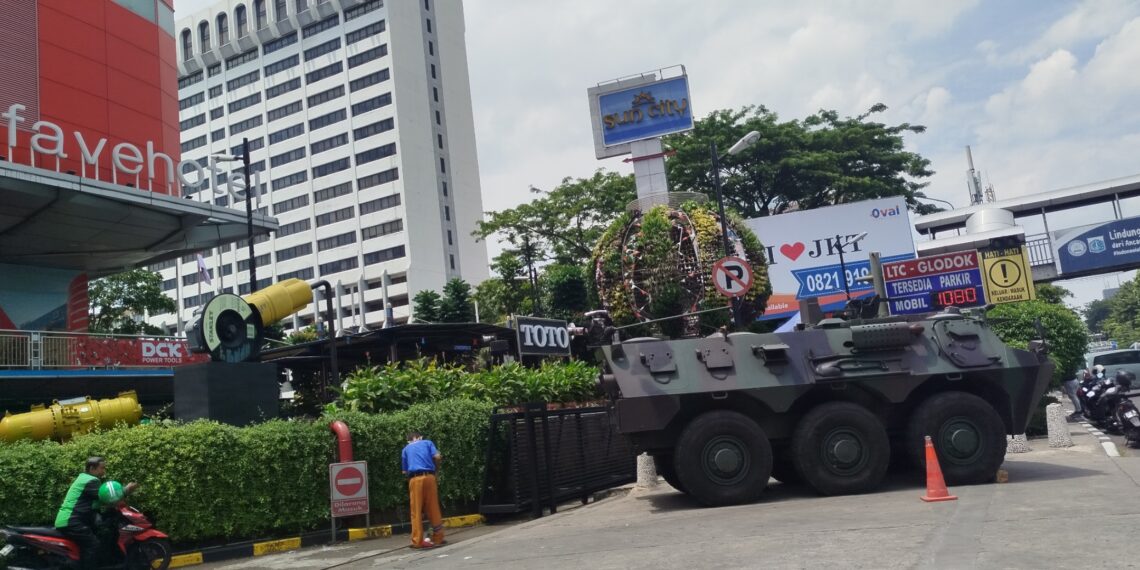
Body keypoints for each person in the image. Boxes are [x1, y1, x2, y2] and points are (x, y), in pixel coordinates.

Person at [55, 457, 138, 569]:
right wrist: (126, 490)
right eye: (102, 468)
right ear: (92, 468)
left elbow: (97, 502)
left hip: (73, 519)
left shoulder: (84, 478)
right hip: (72, 520)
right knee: (93, 545)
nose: (104, 471)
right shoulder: (90, 481)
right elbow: (106, 496)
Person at [401, 431, 444, 549]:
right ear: (420, 437)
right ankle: (438, 537)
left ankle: (417, 541)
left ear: (409, 440)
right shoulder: (427, 443)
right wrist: (436, 470)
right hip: (430, 477)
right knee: (433, 507)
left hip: (415, 480)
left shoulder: (405, 449)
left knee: (416, 511)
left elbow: (404, 471)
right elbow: (437, 456)